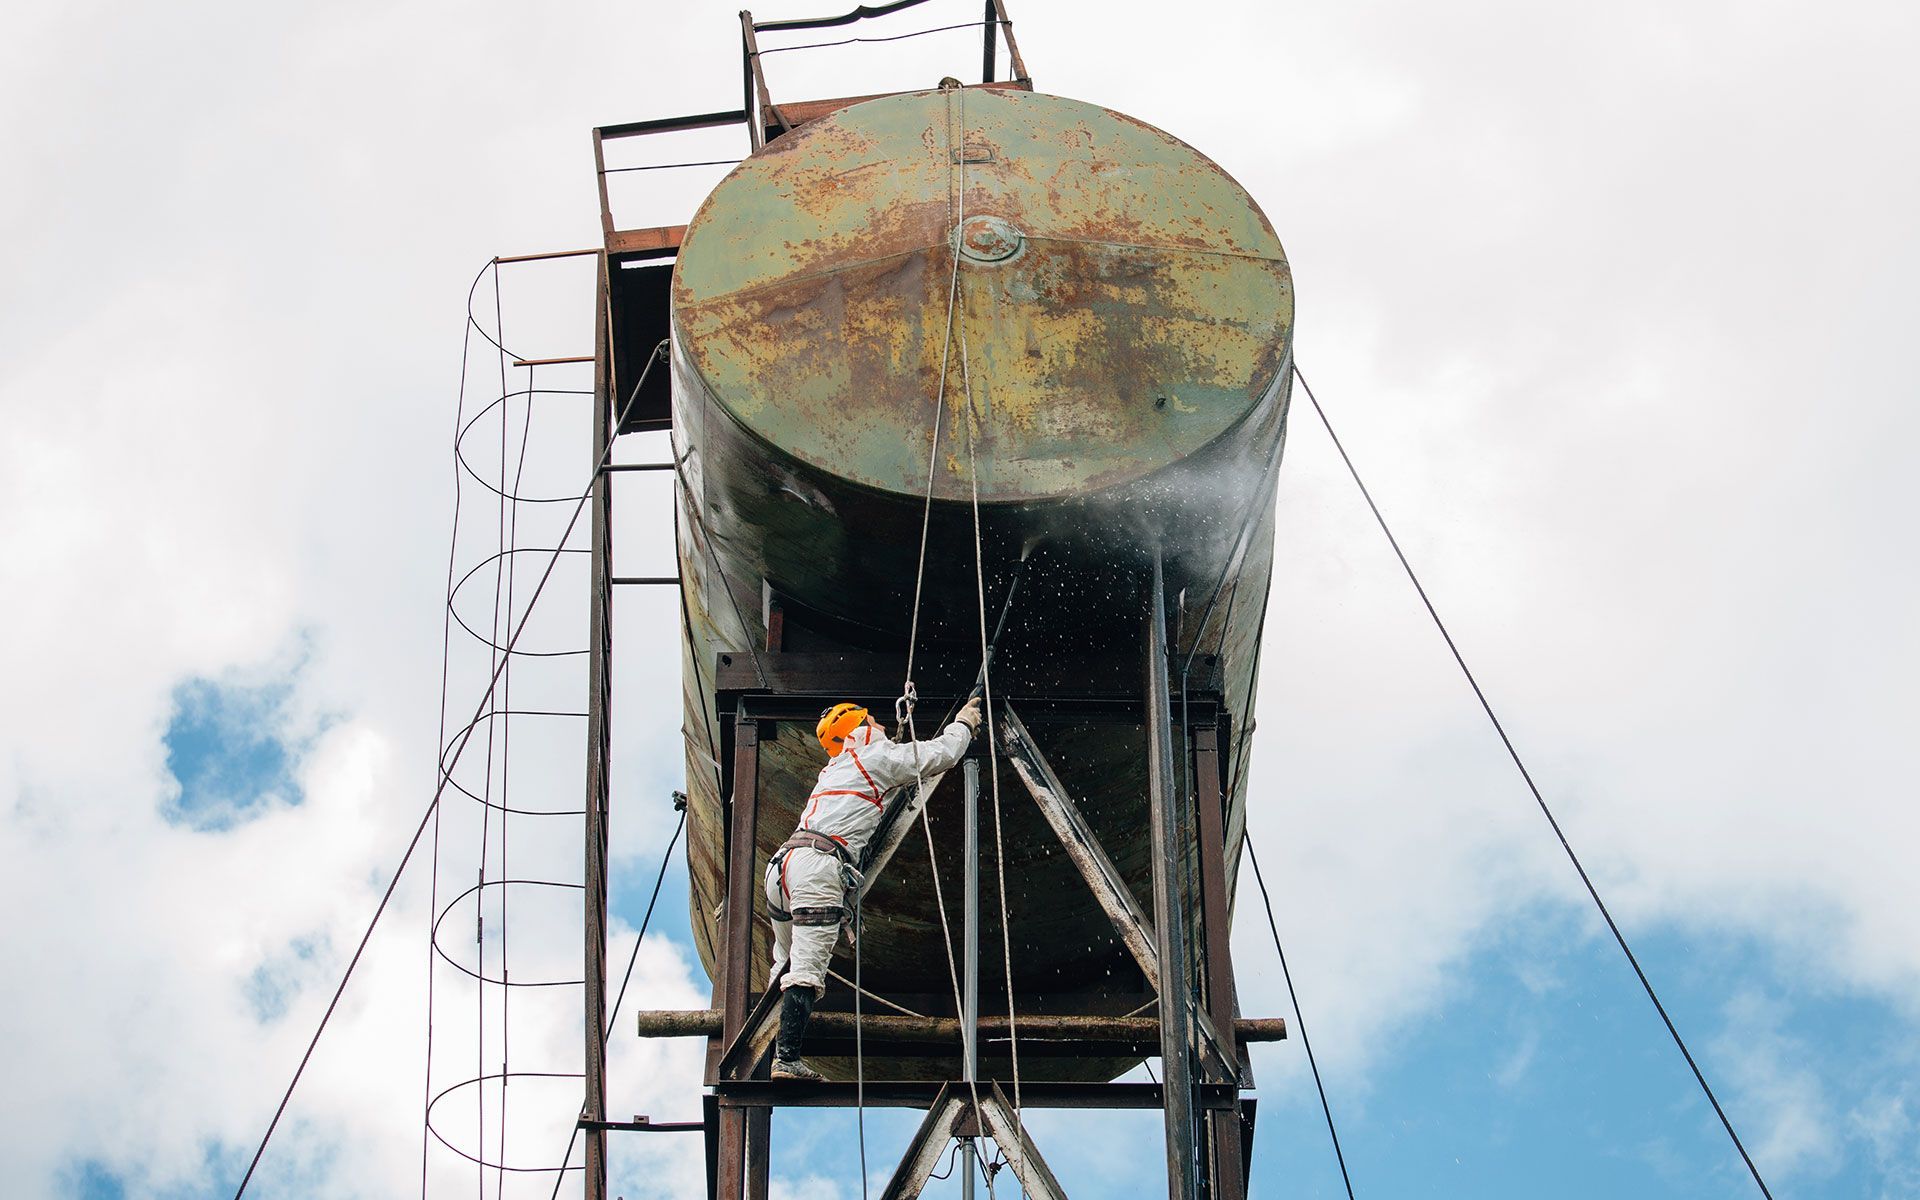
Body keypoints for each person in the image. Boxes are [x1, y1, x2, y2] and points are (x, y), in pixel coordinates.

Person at [764, 696, 983, 1080]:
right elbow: (943, 754)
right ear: (860, 729)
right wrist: (963, 724)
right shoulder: (876, 758)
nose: (881, 725)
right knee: (807, 969)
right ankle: (786, 1060)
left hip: (783, 867)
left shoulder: (833, 770)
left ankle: (764, 1047)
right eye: (873, 721)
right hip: (818, 869)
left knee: (782, 963)